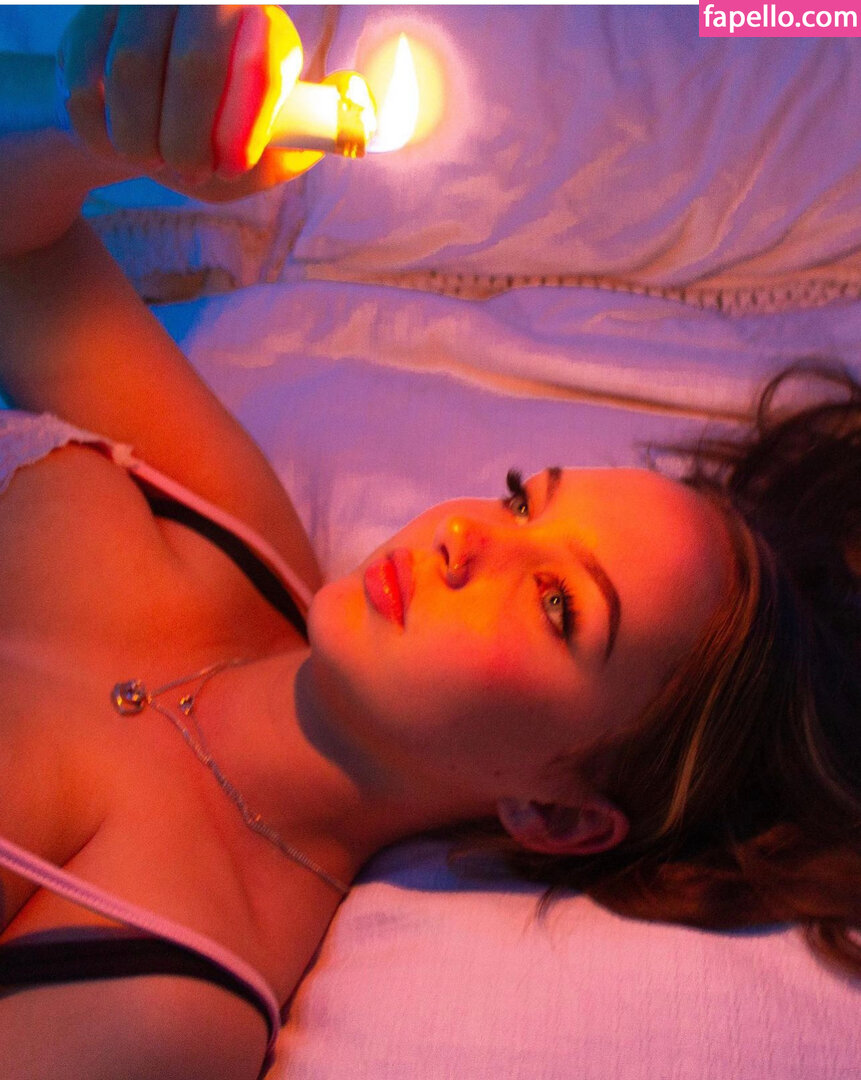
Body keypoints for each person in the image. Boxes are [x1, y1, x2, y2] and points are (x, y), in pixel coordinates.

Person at [0, 5, 858, 1078]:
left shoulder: (164, 996)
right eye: (519, 503)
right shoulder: (234, 530)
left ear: (555, 815)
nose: (464, 539)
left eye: (557, 606)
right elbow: (20, 246)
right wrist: (118, 127)